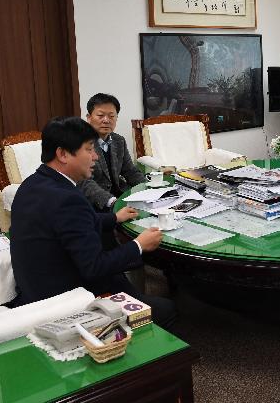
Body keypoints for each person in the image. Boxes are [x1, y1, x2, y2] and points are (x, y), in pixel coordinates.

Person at [10, 116, 175, 326]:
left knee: (118, 273)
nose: (95, 156)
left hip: (35, 285)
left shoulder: (33, 184)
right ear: (63, 154)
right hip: (64, 299)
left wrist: (114, 217)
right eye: (89, 149)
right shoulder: (67, 199)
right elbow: (94, 267)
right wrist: (138, 245)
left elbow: (70, 224)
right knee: (166, 309)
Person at [79, 93, 146, 211]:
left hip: (122, 196)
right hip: (95, 204)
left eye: (111, 116)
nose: (106, 120)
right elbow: (84, 182)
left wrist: (148, 188)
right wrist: (111, 201)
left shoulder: (118, 140)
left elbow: (130, 171)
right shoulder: (80, 143)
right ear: (89, 117)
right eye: (100, 115)